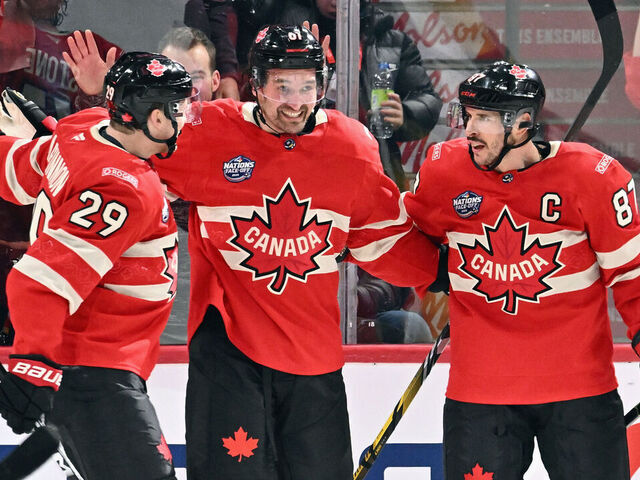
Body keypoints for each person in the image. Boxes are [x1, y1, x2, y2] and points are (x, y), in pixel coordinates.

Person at [63, 24, 444, 479]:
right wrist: (97, 100)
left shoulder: (351, 148)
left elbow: (382, 235)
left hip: (312, 361)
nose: (295, 101)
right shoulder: (208, 132)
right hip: (228, 356)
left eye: (307, 86)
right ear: (256, 85)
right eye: (281, 85)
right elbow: (122, 149)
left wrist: (449, 274)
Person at [403, 60, 639, 479]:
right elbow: (403, 240)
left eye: (485, 119)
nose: (470, 130)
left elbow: (631, 273)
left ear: (524, 122)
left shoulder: (594, 178)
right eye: (469, 116)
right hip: (480, 397)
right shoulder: (444, 171)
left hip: (580, 395)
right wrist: (432, 267)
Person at [0, 51, 200, 480]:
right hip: (94, 374)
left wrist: (38, 145)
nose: (184, 117)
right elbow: (37, 284)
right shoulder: (126, 191)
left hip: (94, 368)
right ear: (148, 115)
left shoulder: (81, 127)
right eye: (176, 107)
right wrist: (33, 367)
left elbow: (17, 173)